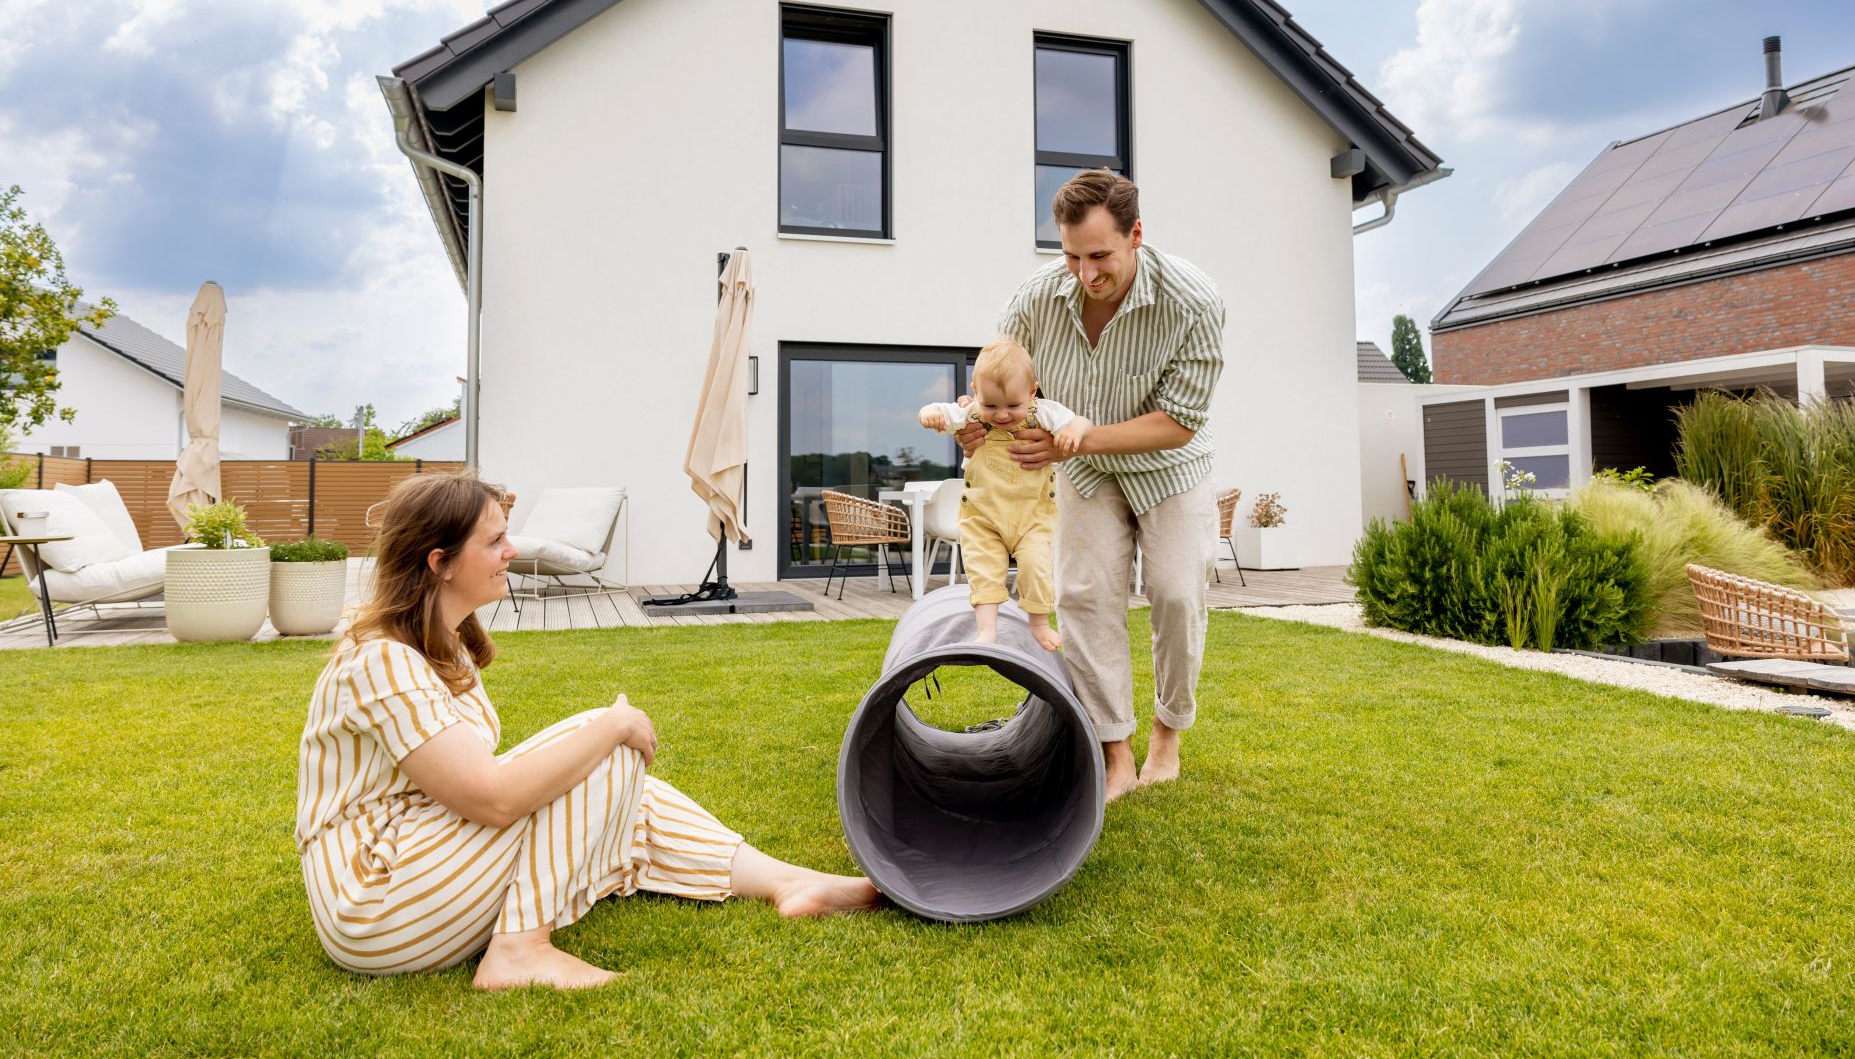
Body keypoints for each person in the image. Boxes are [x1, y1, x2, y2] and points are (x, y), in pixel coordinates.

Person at [295, 474, 880, 992]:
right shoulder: (381, 660)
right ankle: (519, 951)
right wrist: (611, 727)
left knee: (622, 788)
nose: (512, 550)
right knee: (602, 746)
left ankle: (789, 883)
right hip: (376, 902)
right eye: (494, 540)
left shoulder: (440, 644)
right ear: (439, 561)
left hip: (425, 861)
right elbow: (490, 798)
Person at [960, 168, 1225, 802]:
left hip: (1169, 468)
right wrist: (975, 426)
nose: (1085, 272)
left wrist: (1076, 436)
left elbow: (1181, 422)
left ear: (1137, 234)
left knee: (1177, 595)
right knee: (1083, 599)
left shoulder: (1194, 301)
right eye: (1072, 255)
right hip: (1080, 472)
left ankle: (1168, 731)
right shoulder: (1033, 301)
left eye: (1100, 255)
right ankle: (1116, 751)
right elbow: (1001, 381)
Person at [919, 338, 1092, 650]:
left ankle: (1039, 624)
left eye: (1013, 406)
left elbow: (1079, 421)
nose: (1001, 415)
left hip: (1032, 517)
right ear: (975, 392)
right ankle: (987, 631)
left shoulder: (1044, 414)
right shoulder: (969, 414)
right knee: (983, 572)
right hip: (983, 517)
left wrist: (1072, 432)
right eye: (991, 405)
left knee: (1037, 567)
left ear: (1032, 392)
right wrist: (930, 414)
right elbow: (937, 411)